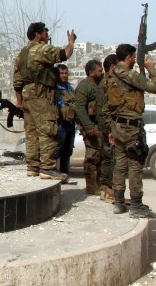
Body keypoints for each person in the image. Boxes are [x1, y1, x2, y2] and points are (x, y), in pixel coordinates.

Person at [103, 44, 156, 218]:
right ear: (129, 57)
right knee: (135, 165)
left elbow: (106, 106)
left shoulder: (110, 77)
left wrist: (110, 128)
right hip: (131, 127)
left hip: (117, 126)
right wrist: (151, 69)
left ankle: (119, 202)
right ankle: (136, 204)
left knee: (120, 165)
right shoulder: (129, 75)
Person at [13, 22, 76, 181]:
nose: (47, 35)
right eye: (45, 32)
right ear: (37, 34)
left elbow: (17, 82)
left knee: (32, 131)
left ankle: (33, 166)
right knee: (48, 129)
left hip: (27, 95)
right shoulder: (41, 49)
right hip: (41, 94)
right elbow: (64, 54)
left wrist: (19, 102)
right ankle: (47, 167)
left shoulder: (21, 54)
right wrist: (71, 42)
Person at [73, 59, 104, 195]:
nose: (101, 72)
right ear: (91, 73)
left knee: (101, 156)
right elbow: (79, 108)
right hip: (91, 126)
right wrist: (88, 127)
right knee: (92, 157)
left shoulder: (98, 85)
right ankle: (91, 186)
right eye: (99, 70)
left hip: (99, 126)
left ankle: (99, 184)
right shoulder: (84, 87)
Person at [96, 54, 118, 203]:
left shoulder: (102, 83)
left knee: (106, 158)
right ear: (113, 67)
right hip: (109, 126)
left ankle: (105, 189)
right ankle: (109, 189)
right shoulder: (109, 84)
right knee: (112, 159)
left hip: (104, 125)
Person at [53, 64, 77, 176]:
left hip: (70, 123)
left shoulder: (70, 88)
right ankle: (54, 171)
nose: (64, 75)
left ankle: (64, 171)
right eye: (61, 73)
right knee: (57, 150)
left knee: (68, 150)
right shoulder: (54, 89)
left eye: (66, 73)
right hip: (60, 123)